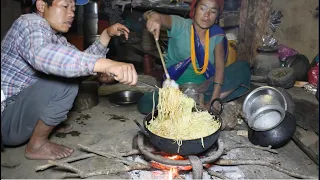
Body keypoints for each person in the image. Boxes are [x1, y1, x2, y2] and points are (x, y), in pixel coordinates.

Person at [1, 0, 138, 160]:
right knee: (65, 83)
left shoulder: (55, 37)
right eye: (65, 6)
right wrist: (106, 64)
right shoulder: (29, 23)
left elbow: (79, 61)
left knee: (72, 70)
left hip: (16, 115)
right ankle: (37, 144)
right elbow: (42, 54)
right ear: (41, 5)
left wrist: (106, 35)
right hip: (6, 121)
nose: (72, 13)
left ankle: (43, 125)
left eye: (73, 8)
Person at [141, 0, 250, 111]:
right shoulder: (181, 25)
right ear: (194, 10)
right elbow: (153, 15)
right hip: (176, 89)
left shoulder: (216, 35)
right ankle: (186, 104)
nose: (206, 15)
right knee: (145, 103)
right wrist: (154, 17)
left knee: (243, 67)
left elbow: (219, 67)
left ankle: (206, 103)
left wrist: (215, 98)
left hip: (205, 88)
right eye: (202, 8)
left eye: (213, 11)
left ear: (217, 15)